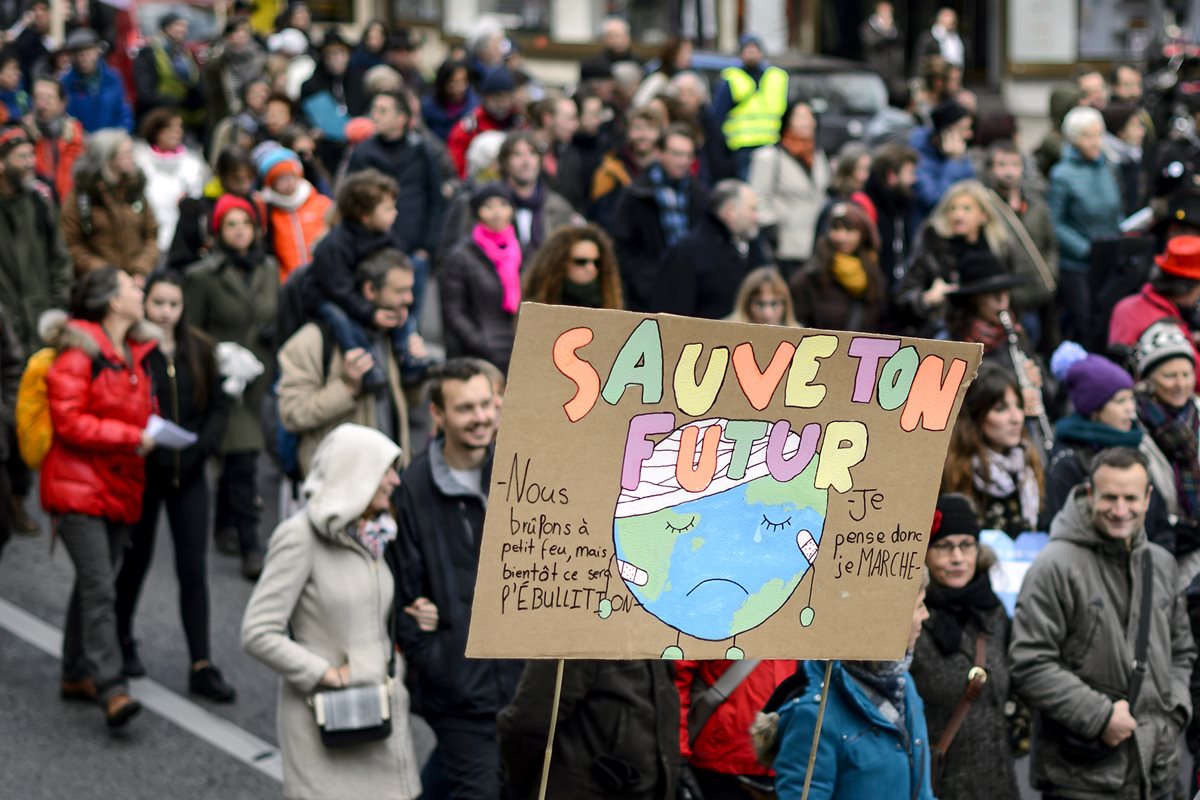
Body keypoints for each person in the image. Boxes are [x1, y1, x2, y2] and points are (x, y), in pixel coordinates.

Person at [242, 423, 424, 800]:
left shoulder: (375, 534)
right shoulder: (299, 536)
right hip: (325, 722)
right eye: (386, 471)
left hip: (378, 714)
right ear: (357, 474)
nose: (395, 481)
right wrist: (326, 674)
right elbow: (257, 632)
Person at [1010, 446, 1195, 800]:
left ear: (1148, 498)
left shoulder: (1162, 564)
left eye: (1131, 498)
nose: (1120, 510)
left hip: (1157, 772)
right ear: (1090, 493)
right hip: (1081, 779)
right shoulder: (1053, 567)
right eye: (1110, 497)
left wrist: (1173, 715)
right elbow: (1029, 663)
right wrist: (1099, 716)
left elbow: (1182, 652)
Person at [390, 359, 522, 800]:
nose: (481, 417)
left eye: (486, 404)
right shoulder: (412, 489)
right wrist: (434, 659)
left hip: (519, 680)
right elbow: (402, 592)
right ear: (438, 414)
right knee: (479, 789)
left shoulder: (520, 467)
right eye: (465, 408)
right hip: (457, 689)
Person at [42, 266, 156, 728]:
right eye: (131, 286)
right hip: (76, 488)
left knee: (95, 583)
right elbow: (68, 421)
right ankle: (111, 686)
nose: (140, 291)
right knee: (99, 588)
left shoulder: (134, 353)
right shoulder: (80, 352)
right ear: (113, 301)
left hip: (116, 486)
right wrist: (131, 437)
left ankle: (75, 673)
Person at [113, 270, 235, 702]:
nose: (165, 313)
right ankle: (120, 640)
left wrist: (202, 446)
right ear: (146, 303)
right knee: (135, 559)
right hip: (147, 473)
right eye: (158, 303)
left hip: (190, 473)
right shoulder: (134, 349)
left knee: (193, 569)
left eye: (174, 304)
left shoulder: (199, 348)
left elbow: (218, 404)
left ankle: (201, 663)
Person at [765, 580, 934, 800]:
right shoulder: (813, 712)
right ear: (886, 616)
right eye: (919, 605)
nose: (926, 615)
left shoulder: (902, 683)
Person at [184, 194, 278, 580]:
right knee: (243, 461)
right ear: (219, 231)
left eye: (246, 224)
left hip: (259, 379)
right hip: (226, 380)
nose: (240, 232)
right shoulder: (202, 276)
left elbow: (276, 310)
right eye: (231, 225)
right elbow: (191, 332)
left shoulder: (269, 268)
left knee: (237, 458)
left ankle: (224, 522)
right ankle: (251, 546)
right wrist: (217, 360)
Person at [909, 493, 1020, 800]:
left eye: (966, 545)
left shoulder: (993, 612)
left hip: (998, 783)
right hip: (940, 785)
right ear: (924, 553)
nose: (957, 557)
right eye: (944, 546)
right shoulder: (912, 619)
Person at [278, 248, 414, 477]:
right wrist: (347, 388)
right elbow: (292, 414)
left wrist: (414, 367)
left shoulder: (391, 335)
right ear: (370, 290)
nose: (409, 298)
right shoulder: (311, 341)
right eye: (400, 291)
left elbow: (410, 403)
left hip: (390, 478)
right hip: (339, 483)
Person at [499, 659, 681, 799]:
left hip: (645, 788)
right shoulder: (581, 630)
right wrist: (518, 782)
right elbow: (528, 722)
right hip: (585, 788)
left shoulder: (652, 629)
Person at [1043, 343, 1172, 540]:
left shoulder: (1135, 444)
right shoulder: (1068, 463)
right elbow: (1062, 530)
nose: (1131, 409)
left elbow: (1159, 521)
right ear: (1094, 411)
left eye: (1131, 399)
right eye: (1120, 401)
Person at [897, 179, 1013, 336]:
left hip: (989, 324)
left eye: (967, 209)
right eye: (952, 209)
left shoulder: (997, 247)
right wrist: (928, 298)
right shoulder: (932, 246)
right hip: (945, 327)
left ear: (983, 215)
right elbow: (903, 297)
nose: (958, 216)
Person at [612, 123, 708, 311]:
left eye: (688, 155)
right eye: (676, 154)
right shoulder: (636, 195)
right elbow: (623, 247)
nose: (683, 161)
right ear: (659, 153)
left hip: (690, 290)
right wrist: (645, 284)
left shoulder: (700, 196)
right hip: (648, 294)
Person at [942, 363, 1045, 538]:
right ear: (977, 415)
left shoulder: (1028, 463)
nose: (1016, 418)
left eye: (1019, 406)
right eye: (1000, 409)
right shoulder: (957, 472)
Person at [1049, 105, 1123, 341]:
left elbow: (1115, 208)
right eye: (1087, 136)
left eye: (1098, 135)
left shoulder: (1108, 166)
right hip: (1079, 264)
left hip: (1109, 256)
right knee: (1084, 322)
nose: (1095, 142)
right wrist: (1085, 249)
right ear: (1073, 139)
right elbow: (1055, 222)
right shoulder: (1062, 174)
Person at [1135, 322, 1200, 575]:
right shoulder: (1135, 424)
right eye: (1170, 375)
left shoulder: (1197, 414)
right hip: (1160, 550)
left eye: (1186, 374)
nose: (1180, 384)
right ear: (1149, 379)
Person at [651, 179, 768, 319]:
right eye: (753, 209)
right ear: (731, 211)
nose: (758, 217)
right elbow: (672, 314)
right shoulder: (687, 252)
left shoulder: (754, 246)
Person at [982, 140, 1059, 349]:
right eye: (1002, 165)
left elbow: (1050, 244)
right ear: (991, 169)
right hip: (1007, 297)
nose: (1009, 172)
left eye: (1015, 165)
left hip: (1039, 290)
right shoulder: (986, 207)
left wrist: (1051, 275)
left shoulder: (1036, 204)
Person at [440, 183, 523, 373]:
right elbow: (453, 311)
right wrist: (480, 342)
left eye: (503, 205)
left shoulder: (521, 252)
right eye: (489, 206)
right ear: (477, 212)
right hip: (481, 352)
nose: (497, 213)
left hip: (518, 348)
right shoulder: (461, 257)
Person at [61, 128, 160, 279]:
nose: (132, 158)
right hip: (96, 283)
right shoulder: (83, 196)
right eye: (126, 153)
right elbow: (71, 244)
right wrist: (109, 275)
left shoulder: (135, 191)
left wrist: (140, 270)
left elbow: (151, 236)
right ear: (107, 158)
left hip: (136, 280)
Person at [749, 101, 830, 274]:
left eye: (810, 116)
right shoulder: (770, 157)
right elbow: (758, 197)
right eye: (801, 117)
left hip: (816, 246)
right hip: (784, 246)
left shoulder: (818, 156)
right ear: (788, 120)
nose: (807, 122)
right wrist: (771, 230)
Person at [1108, 235, 1200, 385]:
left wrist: (1192, 339)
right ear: (1189, 288)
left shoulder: (1125, 305)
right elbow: (1195, 379)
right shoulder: (1168, 328)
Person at [790, 200, 887, 332]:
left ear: (862, 234)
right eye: (836, 228)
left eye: (849, 230)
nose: (841, 237)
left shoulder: (874, 277)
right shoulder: (810, 277)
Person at [711, 34, 788, 180]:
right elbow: (717, 116)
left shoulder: (775, 78)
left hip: (769, 144)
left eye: (754, 49)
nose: (751, 53)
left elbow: (786, 114)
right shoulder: (732, 78)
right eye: (747, 50)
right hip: (742, 148)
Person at [134, 108, 210, 253]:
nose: (177, 132)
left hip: (184, 242)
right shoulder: (140, 163)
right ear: (156, 131)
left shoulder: (193, 164)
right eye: (170, 128)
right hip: (148, 240)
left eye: (179, 127)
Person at [169, 146, 257, 269]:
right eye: (238, 179)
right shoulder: (196, 210)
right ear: (221, 176)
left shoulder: (252, 204)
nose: (245, 186)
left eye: (250, 179)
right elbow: (180, 256)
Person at [255, 146, 332, 282]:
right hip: (288, 281)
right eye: (281, 179)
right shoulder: (268, 211)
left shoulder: (322, 203)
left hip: (323, 277)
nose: (288, 183)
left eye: (291, 177)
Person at [132, 12, 204, 135]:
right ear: (165, 28)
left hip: (184, 117)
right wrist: (177, 102)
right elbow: (146, 92)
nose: (182, 29)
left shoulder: (185, 54)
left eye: (184, 26)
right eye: (177, 25)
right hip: (158, 118)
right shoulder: (148, 52)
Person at [522, 223, 623, 309]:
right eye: (581, 262)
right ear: (561, 263)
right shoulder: (541, 302)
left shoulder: (609, 302)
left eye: (597, 262)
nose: (590, 268)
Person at [909, 100, 975, 232]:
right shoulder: (918, 157)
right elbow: (935, 201)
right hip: (928, 231)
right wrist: (953, 162)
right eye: (964, 129)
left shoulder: (958, 153)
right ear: (946, 133)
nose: (970, 134)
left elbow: (972, 187)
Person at [863, 142, 918, 290]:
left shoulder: (902, 205)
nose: (914, 179)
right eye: (910, 173)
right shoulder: (865, 207)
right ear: (891, 176)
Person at [447, 68, 521, 179]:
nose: (503, 103)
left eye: (508, 98)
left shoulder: (519, 122)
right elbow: (457, 169)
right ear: (485, 98)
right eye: (497, 98)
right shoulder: (469, 127)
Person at [61, 28, 132, 133]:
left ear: (97, 51)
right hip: (79, 139)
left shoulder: (113, 78)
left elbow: (124, 112)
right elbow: (64, 117)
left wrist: (122, 133)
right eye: (77, 54)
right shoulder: (65, 83)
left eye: (87, 52)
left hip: (111, 138)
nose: (82, 58)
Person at [30, 77, 86, 202]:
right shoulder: (24, 138)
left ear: (63, 103)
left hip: (70, 204)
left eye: (49, 98)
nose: (42, 104)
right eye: (38, 97)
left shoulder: (77, 137)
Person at [202, 18, 267, 126]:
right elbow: (210, 73)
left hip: (254, 113)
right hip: (224, 111)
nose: (241, 34)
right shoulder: (221, 57)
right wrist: (220, 50)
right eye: (236, 31)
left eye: (245, 30)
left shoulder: (258, 55)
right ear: (228, 35)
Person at [1103, 102, 1148, 218]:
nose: (1142, 132)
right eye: (1135, 126)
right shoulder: (1108, 162)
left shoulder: (1134, 154)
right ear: (1120, 132)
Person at [423, 58, 477, 143]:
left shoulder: (475, 108)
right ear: (443, 83)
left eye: (464, 81)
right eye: (454, 82)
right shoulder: (428, 108)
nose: (460, 87)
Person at [632, 35, 693, 109]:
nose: (688, 57)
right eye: (683, 53)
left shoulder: (691, 78)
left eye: (690, 52)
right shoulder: (659, 79)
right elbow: (639, 103)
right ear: (672, 54)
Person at [727, 266, 799, 327]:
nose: (767, 314)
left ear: (786, 306)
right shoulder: (726, 331)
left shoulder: (799, 336)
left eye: (774, 304)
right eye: (760, 304)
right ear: (746, 305)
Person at [860, 1, 905, 90]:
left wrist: (890, 30)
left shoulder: (894, 26)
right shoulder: (868, 26)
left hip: (894, 71)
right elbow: (871, 42)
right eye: (884, 10)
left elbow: (900, 40)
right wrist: (885, 31)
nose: (887, 13)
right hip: (876, 69)